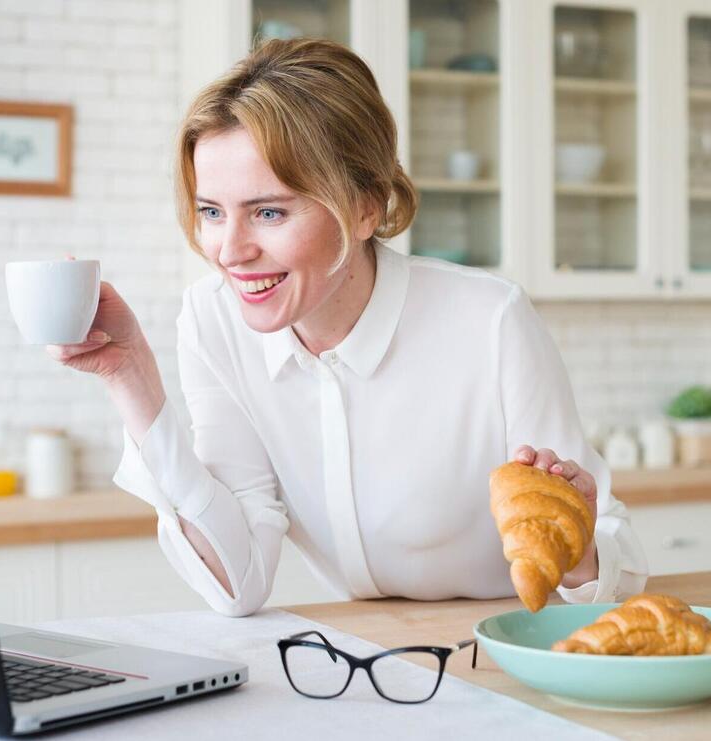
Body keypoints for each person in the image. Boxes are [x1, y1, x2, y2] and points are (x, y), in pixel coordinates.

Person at [48, 38, 648, 617]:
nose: (230, 251)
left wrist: (578, 547)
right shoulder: (213, 321)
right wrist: (132, 379)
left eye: (269, 211)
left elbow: (616, 572)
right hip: (364, 656)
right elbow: (239, 583)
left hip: (509, 644)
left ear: (366, 206)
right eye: (211, 212)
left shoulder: (491, 320)